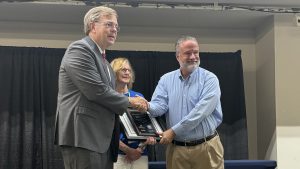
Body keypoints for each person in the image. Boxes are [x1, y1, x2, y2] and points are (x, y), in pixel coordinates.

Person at [54, 6, 146, 169]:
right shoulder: (80, 49)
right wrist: (131, 102)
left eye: (116, 26)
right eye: (109, 24)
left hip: (102, 141)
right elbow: (96, 91)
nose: (114, 30)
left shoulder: (106, 64)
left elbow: (109, 97)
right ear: (92, 25)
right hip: (82, 136)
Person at [146, 36, 224, 169]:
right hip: (177, 150)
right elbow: (159, 106)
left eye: (196, 52)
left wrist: (173, 131)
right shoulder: (166, 80)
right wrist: (146, 106)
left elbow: (200, 112)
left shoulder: (210, 79)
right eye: (188, 53)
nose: (193, 57)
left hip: (206, 148)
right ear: (177, 56)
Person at [110, 57, 156, 169]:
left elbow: (146, 125)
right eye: (123, 69)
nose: (127, 72)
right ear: (114, 72)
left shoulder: (138, 96)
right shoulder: (109, 97)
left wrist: (147, 141)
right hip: (118, 155)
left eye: (129, 70)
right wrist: (128, 150)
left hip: (140, 154)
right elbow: (106, 132)